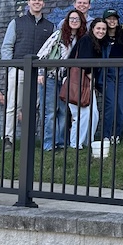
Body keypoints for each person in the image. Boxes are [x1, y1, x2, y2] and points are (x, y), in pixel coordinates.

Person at [0, 0, 55, 152]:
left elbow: (52, 51)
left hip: (39, 74)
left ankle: (29, 139)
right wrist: (11, 68)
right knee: (12, 106)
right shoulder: (17, 23)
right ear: (28, 3)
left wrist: (45, 72)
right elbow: (7, 47)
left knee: (35, 107)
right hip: (18, 71)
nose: (37, 2)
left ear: (43, 3)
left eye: (40, 0)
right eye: (34, 0)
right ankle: (8, 139)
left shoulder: (50, 26)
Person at [36, 9, 86, 150]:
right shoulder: (58, 35)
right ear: (66, 21)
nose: (74, 21)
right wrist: (40, 73)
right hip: (50, 77)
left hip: (66, 79)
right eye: (71, 19)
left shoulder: (81, 39)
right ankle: (48, 144)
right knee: (50, 112)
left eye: (77, 19)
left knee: (64, 112)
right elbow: (42, 53)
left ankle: (61, 142)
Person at [68, 17, 106, 149]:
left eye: (103, 29)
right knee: (82, 114)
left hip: (85, 82)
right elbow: (83, 61)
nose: (101, 31)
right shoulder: (86, 40)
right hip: (77, 81)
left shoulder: (96, 42)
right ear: (93, 29)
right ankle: (75, 144)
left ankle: (87, 141)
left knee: (93, 113)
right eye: (98, 28)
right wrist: (92, 78)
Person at [99, 8, 123, 143]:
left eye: (114, 18)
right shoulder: (101, 37)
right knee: (110, 104)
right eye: (109, 18)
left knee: (121, 104)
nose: (112, 21)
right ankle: (106, 135)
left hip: (122, 72)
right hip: (108, 73)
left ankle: (115, 135)